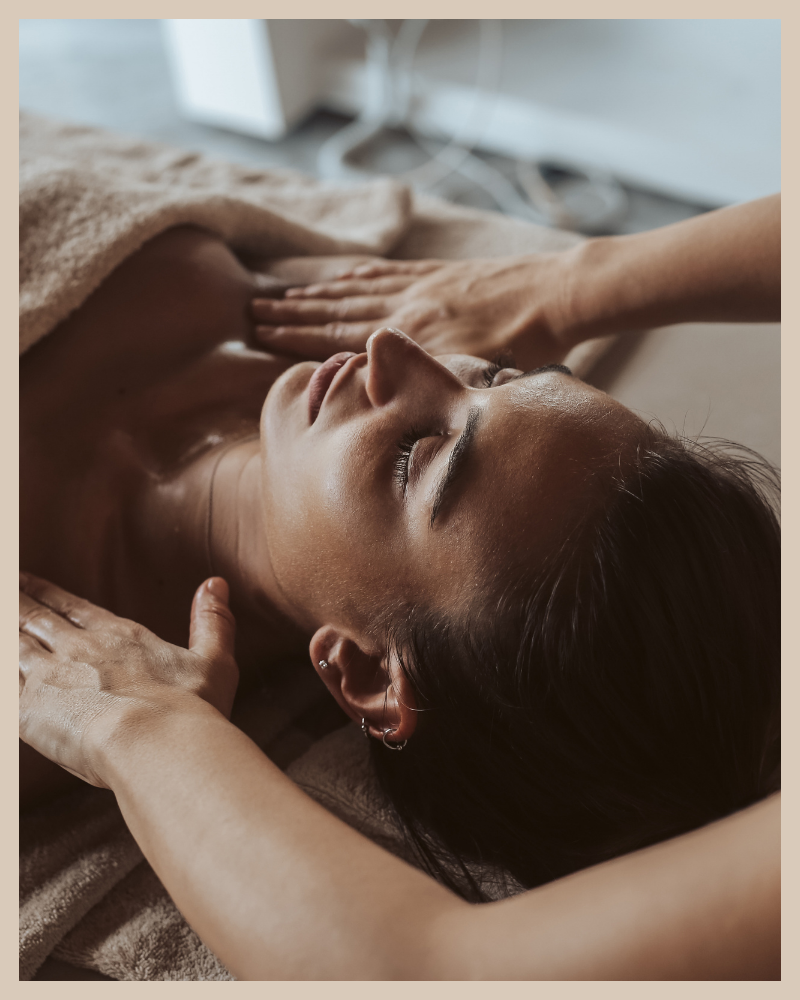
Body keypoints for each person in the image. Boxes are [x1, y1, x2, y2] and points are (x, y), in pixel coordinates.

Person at [20, 195, 780, 978]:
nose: (395, 348)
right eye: (498, 375)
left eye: (416, 458)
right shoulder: (257, 305)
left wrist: (145, 726)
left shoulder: (33, 664)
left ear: (367, 674)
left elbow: (423, 973)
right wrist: (561, 286)